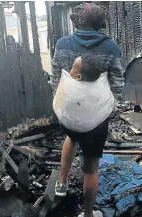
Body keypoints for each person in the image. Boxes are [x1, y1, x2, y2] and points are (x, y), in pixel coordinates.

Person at [49, 3, 125, 217]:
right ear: (100, 23)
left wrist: (63, 103)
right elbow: (118, 84)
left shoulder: (62, 44)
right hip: (96, 118)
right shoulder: (110, 47)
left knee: (72, 138)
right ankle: (89, 214)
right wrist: (110, 105)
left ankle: (61, 184)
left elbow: (55, 79)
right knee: (91, 165)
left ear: (77, 21)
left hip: (69, 113)